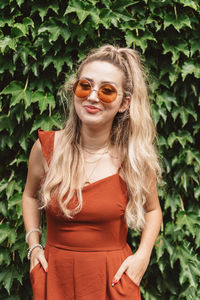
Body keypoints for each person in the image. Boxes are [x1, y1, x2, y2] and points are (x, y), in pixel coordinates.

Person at [22, 44, 162, 300]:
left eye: (107, 91)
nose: (93, 96)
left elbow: (153, 210)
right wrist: (34, 247)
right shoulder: (46, 148)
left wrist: (142, 257)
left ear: (124, 103)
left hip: (113, 281)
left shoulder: (134, 159)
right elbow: (30, 196)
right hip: (54, 278)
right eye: (85, 85)